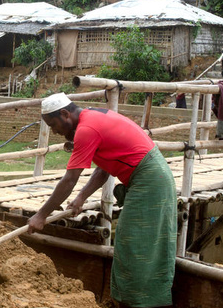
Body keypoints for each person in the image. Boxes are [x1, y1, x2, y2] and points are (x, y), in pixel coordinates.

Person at [28, 93, 176, 308]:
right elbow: (104, 169)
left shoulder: (87, 130)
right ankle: (138, 300)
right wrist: (80, 198)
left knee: (134, 243)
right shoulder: (91, 118)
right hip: (150, 177)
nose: (55, 131)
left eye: (53, 125)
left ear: (64, 114)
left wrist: (41, 215)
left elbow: (69, 180)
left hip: (150, 180)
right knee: (139, 241)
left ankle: (140, 302)